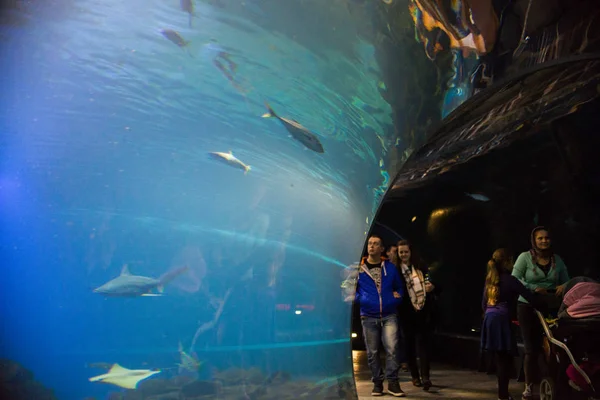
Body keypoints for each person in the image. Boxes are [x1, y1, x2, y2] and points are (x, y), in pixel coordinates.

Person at [512, 226, 570, 400]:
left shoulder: (557, 260)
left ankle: (554, 382)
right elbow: (515, 279)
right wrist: (532, 287)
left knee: (554, 346)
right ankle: (529, 387)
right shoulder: (524, 258)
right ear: (534, 240)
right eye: (540, 238)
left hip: (551, 306)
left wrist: (563, 286)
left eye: (547, 238)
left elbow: (568, 280)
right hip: (528, 306)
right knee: (531, 348)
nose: (544, 241)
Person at [481, 248, 546, 400]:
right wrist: (544, 305)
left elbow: (483, 303)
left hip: (489, 320)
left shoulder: (489, 279)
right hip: (502, 320)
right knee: (506, 359)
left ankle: (502, 394)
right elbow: (528, 296)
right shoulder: (510, 280)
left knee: (499, 358)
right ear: (508, 262)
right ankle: (503, 395)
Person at [356, 235, 406, 397]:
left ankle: (393, 382)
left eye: (376, 244)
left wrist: (395, 298)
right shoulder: (359, 268)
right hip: (368, 315)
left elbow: (400, 287)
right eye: (370, 243)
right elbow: (348, 288)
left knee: (392, 349)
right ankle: (377, 383)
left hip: (389, 314)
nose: (371, 246)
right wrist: (361, 299)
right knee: (373, 352)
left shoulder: (390, 268)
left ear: (381, 248)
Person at [396, 240, 440, 391]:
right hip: (406, 313)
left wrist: (432, 287)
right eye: (400, 252)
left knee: (424, 345)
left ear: (410, 252)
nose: (403, 255)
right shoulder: (396, 270)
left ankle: (426, 377)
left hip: (423, 311)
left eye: (405, 252)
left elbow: (435, 284)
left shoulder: (421, 266)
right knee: (409, 346)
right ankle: (415, 376)